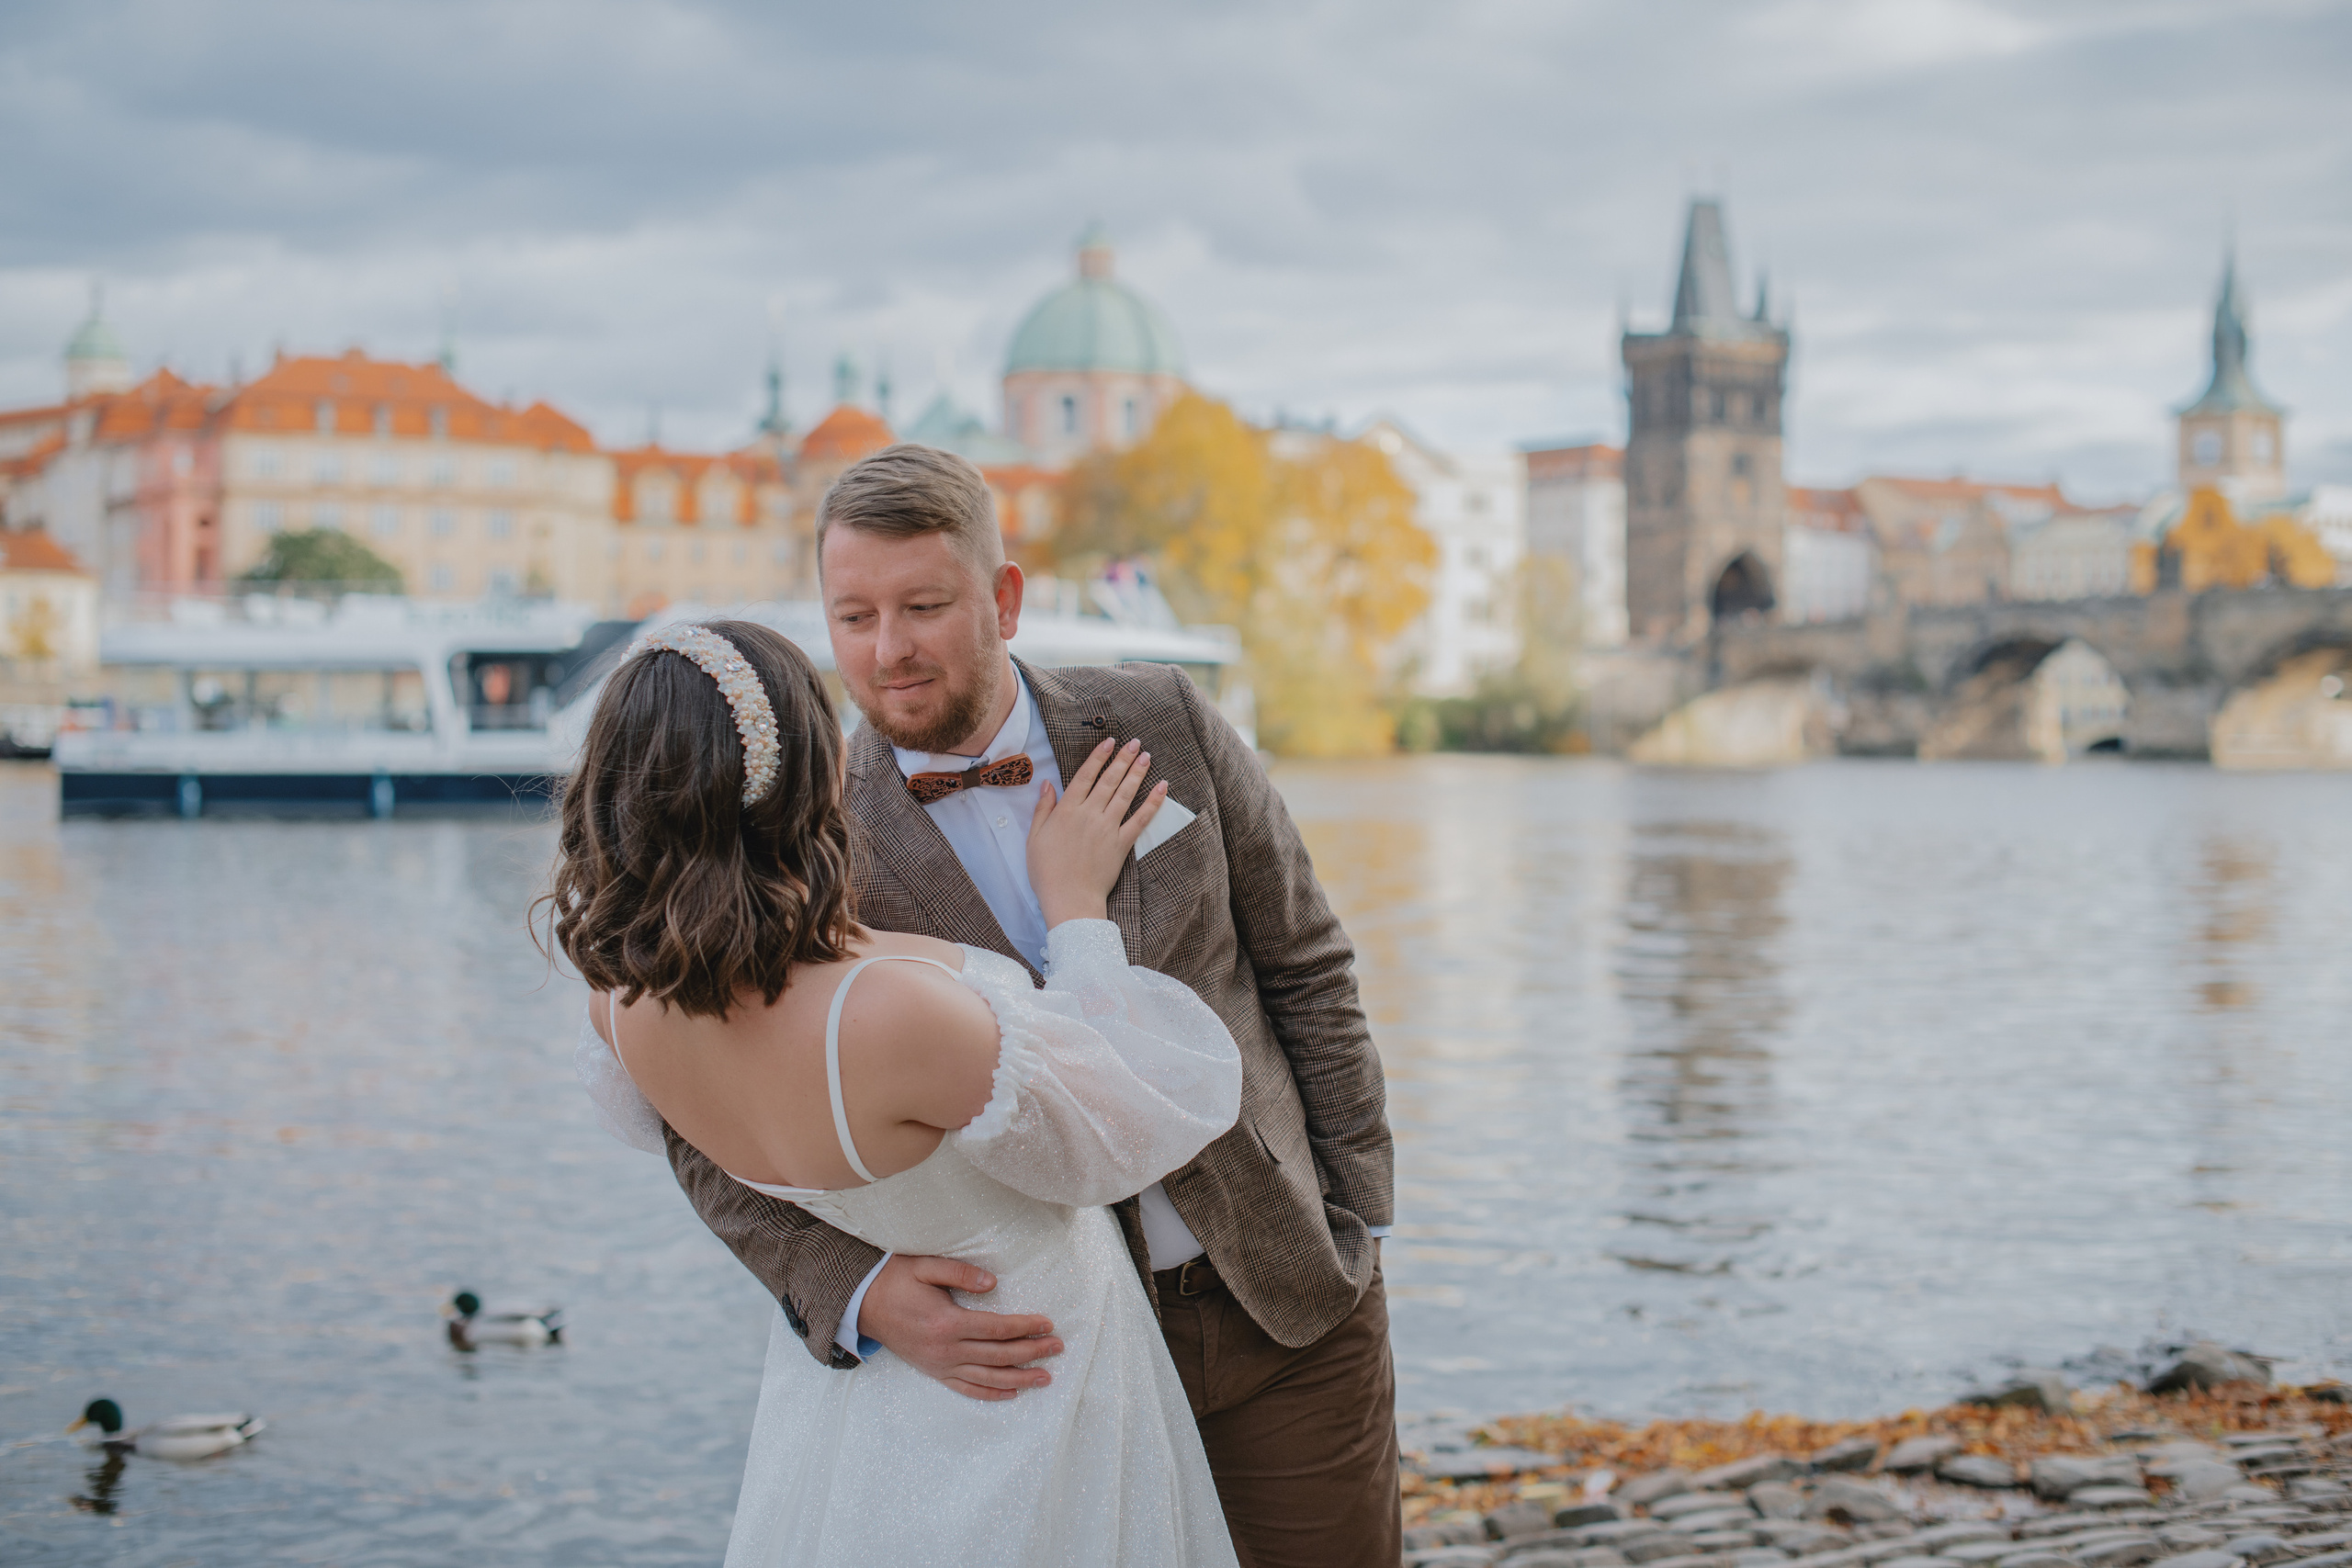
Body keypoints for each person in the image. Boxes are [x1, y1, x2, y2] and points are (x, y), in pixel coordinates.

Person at [666, 444, 1399, 1567]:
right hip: (1047, 1364)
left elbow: (1304, 962)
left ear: (1002, 598)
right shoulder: (803, 838)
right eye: (852, 614)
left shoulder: (1159, 721)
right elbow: (700, 1109)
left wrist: (1354, 1210)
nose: (886, 650)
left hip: (1290, 1306)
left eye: (921, 607)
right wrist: (847, 1288)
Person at [551, 616, 1245, 1565]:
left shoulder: (621, 1007)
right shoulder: (889, 1016)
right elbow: (1135, 1122)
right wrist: (1077, 919)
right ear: (808, 779)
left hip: (855, 1412)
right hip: (1029, 1375)